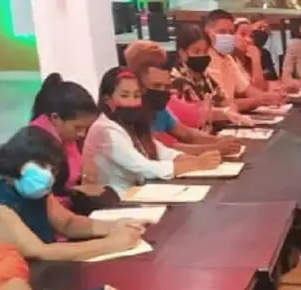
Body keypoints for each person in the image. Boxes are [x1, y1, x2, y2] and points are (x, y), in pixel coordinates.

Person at [0, 127, 146, 261]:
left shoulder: (32, 187)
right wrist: (112, 243)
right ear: (18, 160)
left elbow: (67, 223)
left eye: (53, 170)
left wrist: (114, 226)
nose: (47, 175)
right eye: (41, 165)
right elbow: (39, 251)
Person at [82, 67, 220, 196]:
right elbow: (143, 167)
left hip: (137, 195)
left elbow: (161, 151)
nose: (132, 102)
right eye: (125, 96)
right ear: (107, 100)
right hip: (115, 202)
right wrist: (195, 164)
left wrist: (194, 160)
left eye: (136, 96)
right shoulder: (104, 129)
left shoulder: (132, 123)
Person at [123, 41, 239, 157]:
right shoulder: (131, 115)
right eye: (156, 86)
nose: (162, 92)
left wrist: (220, 140)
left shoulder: (159, 109)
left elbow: (187, 134)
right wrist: (217, 148)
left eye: (166, 87)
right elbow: (167, 150)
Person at [28, 73, 108, 214]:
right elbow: (42, 201)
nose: (82, 134)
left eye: (86, 128)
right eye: (78, 128)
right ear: (55, 118)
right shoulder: (34, 145)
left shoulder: (67, 139)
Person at [169, 23, 255, 131]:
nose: (202, 56)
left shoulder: (204, 76)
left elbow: (223, 99)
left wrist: (231, 110)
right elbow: (194, 113)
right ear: (183, 53)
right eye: (197, 52)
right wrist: (225, 113)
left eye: (205, 52)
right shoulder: (176, 80)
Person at [204, 9, 286, 112]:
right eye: (222, 32)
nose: (228, 36)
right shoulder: (205, 61)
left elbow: (249, 90)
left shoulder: (228, 59)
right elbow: (220, 104)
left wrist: (273, 97)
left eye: (231, 32)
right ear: (207, 33)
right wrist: (260, 100)